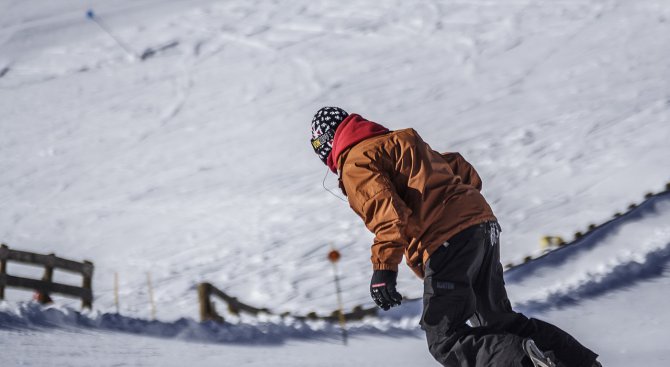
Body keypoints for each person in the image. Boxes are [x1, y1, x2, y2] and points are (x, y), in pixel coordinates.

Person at [309, 107, 601, 367]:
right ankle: (575, 362)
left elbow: (389, 215)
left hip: (445, 240)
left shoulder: (356, 162)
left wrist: (383, 269)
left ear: (326, 143)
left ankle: (526, 361)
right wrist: (459, 203)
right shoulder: (401, 140)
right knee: (497, 321)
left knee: (444, 338)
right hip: (481, 226)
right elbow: (460, 168)